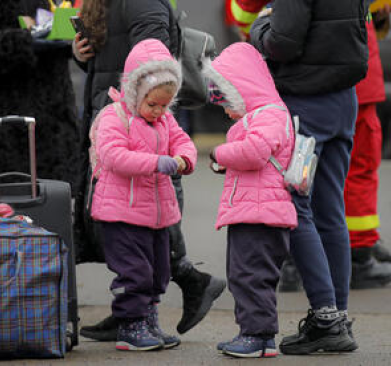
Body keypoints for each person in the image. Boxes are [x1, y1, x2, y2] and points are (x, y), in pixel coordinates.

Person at [72, 0, 225, 340]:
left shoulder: (143, 4)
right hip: (116, 112)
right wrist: (80, 55)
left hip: (134, 120)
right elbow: (110, 61)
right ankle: (135, 314)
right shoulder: (105, 4)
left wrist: (140, 109)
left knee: (141, 235)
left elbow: (154, 62)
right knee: (126, 235)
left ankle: (143, 315)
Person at [250, 0, 367, 354]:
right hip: (344, 99)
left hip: (306, 102)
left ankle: (326, 319)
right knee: (330, 209)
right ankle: (337, 316)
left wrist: (260, 28)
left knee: (295, 206)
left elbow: (282, 43)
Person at [91, 39, 197, 351]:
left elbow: (181, 140)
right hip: (122, 212)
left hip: (156, 213)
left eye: (165, 105)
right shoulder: (115, 116)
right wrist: (157, 163)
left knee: (159, 270)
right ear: (136, 90)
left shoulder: (165, 118)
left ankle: (149, 318)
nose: (159, 111)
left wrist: (185, 158)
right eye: (152, 104)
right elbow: (113, 156)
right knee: (134, 272)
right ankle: (130, 324)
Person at [203, 42, 297, 358]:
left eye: (226, 101)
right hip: (253, 211)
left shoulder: (269, 114)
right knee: (243, 275)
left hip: (261, 215)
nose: (227, 111)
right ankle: (254, 333)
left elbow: (256, 153)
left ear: (243, 89)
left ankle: (258, 335)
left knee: (251, 275)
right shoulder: (264, 114)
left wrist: (219, 152)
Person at [0, 0, 80, 189]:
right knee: (10, 199)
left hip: (55, 108)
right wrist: (26, 41)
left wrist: (70, 38)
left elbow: (67, 17)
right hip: (5, 111)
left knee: (57, 197)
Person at [347, 4, 391, 290]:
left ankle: (294, 261)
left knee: (302, 168)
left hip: (299, 76)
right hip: (353, 71)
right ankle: (358, 257)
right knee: (358, 168)